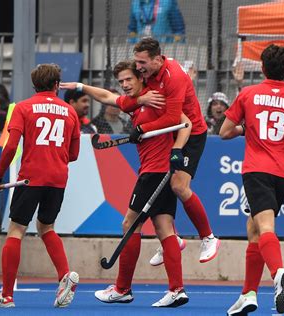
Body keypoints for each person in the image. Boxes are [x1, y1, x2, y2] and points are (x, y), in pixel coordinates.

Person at [62, 59, 192, 307]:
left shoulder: (156, 98)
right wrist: (80, 85)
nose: (124, 85)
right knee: (165, 228)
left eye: (128, 79)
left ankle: (122, 289)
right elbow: (108, 97)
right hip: (157, 171)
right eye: (121, 81)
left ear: (142, 77)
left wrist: (176, 148)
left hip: (155, 171)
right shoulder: (135, 103)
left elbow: (186, 123)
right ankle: (177, 290)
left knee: (130, 223)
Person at [219, 44, 284, 315]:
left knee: (264, 227)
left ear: (262, 67)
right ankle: (248, 294)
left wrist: (246, 128)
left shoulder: (248, 94)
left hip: (257, 170)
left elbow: (225, 132)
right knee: (253, 228)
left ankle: (278, 273)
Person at [119, 37, 220, 266]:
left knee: (178, 186)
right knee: (159, 183)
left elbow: (173, 119)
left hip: (190, 134)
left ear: (157, 59)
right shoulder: (147, 74)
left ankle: (208, 237)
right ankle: (172, 238)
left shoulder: (173, 76)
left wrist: (142, 129)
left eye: (142, 62)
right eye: (136, 61)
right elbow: (124, 101)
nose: (138, 67)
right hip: (169, 133)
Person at [0, 63, 80, 308]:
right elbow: (74, 154)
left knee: (16, 229)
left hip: (30, 177)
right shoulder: (70, 111)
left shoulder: (23, 108)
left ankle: (6, 295)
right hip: (58, 178)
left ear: (34, 84)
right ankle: (64, 276)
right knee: (47, 227)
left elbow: (10, 146)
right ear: (57, 85)